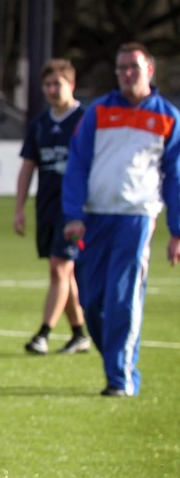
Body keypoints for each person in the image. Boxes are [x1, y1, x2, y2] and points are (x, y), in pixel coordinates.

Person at [62, 42, 180, 397]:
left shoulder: (167, 117)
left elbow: (175, 177)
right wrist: (73, 214)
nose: (127, 74)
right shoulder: (98, 112)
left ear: (150, 71)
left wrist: (177, 231)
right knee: (92, 300)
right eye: (122, 68)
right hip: (94, 218)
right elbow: (77, 163)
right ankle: (117, 362)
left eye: (134, 67)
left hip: (137, 218)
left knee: (123, 298)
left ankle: (121, 378)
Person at [13, 58, 90, 356]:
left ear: (71, 84)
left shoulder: (85, 121)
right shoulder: (40, 124)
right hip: (46, 206)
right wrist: (19, 209)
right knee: (63, 272)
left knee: (60, 268)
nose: (51, 89)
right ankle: (79, 333)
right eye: (47, 84)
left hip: (74, 211)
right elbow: (28, 167)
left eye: (57, 83)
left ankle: (43, 334)